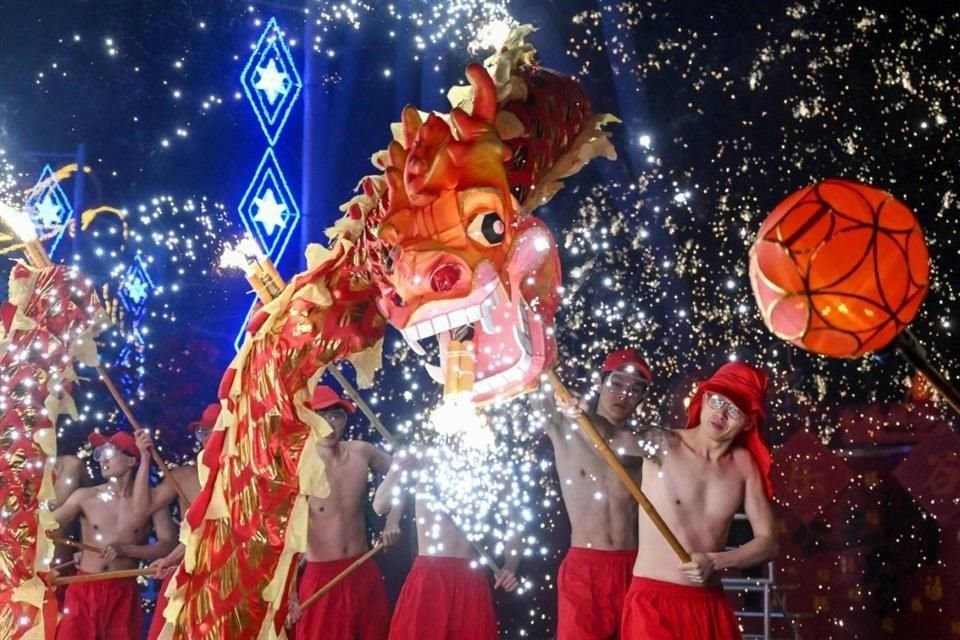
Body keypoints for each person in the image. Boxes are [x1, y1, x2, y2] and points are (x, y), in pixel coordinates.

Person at [620, 361, 778, 639]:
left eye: (733, 409)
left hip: (709, 605)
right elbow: (609, 438)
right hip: (653, 602)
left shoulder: (744, 466)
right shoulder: (662, 442)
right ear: (703, 398)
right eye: (717, 400)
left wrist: (718, 561)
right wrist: (579, 411)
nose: (720, 413)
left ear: (750, 421)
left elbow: (769, 543)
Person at [545, 347, 654, 639]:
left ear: (642, 398)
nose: (624, 395)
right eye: (617, 383)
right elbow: (538, 383)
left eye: (635, 389)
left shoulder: (643, 443)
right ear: (600, 382)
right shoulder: (563, 426)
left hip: (635, 566)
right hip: (585, 566)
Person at [285, 386, 403, 640]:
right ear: (309, 420)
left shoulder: (362, 452)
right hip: (322, 578)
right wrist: (289, 593)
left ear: (345, 419)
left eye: (335, 416)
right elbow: (286, 538)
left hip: (363, 569)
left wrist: (392, 522)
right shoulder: (297, 467)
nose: (328, 424)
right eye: (321, 416)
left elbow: (404, 473)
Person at [374, 452, 520, 640]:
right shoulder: (423, 456)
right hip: (429, 578)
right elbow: (380, 505)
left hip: (471, 580)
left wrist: (510, 566)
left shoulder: (493, 464)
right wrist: (397, 469)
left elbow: (515, 526)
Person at [51, 429, 178, 640]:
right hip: (83, 588)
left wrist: (126, 550)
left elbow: (168, 546)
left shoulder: (151, 501)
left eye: (108, 452)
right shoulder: (85, 496)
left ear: (131, 460)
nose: (102, 460)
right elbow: (49, 524)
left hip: (123, 591)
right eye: (99, 453)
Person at [145, 403, 219, 640]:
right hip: (188, 569)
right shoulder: (186, 475)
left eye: (213, 430)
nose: (207, 437)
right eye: (202, 431)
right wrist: (144, 457)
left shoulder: (241, 477)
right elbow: (143, 509)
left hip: (224, 573)